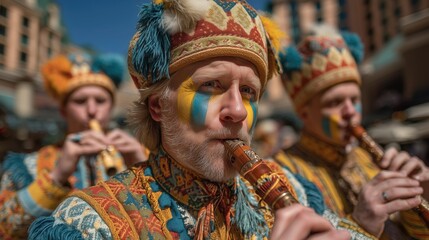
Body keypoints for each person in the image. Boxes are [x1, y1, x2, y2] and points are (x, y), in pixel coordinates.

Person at [29, 1, 376, 239]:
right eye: (211, 86)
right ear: (157, 107)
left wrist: (367, 223)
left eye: (250, 93)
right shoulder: (88, 223)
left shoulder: (293, 189)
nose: (237, 111)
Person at [274, 26, 429, 239]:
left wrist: (417, 196)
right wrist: (360, 224)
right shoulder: (282, 174)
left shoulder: (368, 159)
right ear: (304, 113)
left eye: (354, 100)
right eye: (335, 102)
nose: (350, 111)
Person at [0, 52, 147, 239]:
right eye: (80, 101)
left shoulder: (138, 152)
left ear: (110, 108)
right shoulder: (30, 164)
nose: (92, 110)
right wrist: (57, 175)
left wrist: (143, 166)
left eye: (100, 101)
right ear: (63, 111)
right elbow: (4, 229)